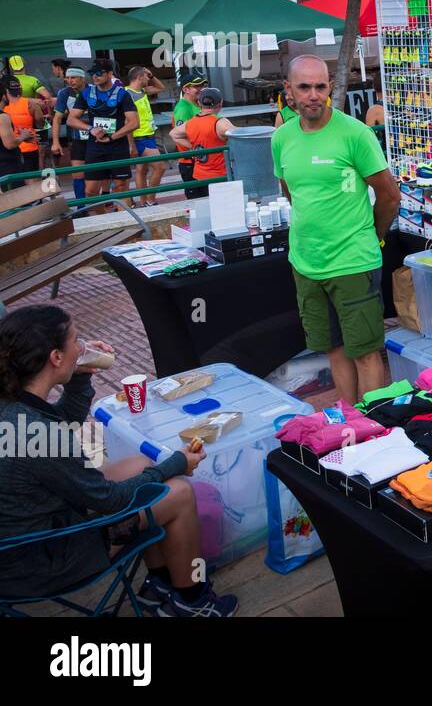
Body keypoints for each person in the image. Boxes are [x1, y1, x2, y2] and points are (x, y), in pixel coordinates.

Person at [0, 305, 237, 616]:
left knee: (139, 465)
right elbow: (110, 499)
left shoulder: (14, 403)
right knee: (178, 492)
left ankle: (161, 583)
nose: (82, 347)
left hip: (23, 537)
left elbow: (62, 423)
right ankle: (193, 601)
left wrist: (79, 376)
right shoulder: (36, 433)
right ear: (55, 357)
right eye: (76, 341)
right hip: (41, 560)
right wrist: (177, 464)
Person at [273, 55, 400, 404]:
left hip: (353, 262)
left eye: (320, 86)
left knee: (365, 352)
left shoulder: (355, 134)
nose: (314, 95)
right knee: (334, 350)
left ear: (329, 87)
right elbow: (293, 192)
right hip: (306, 263)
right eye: (304, 87)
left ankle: (371, 428)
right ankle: (348, 424)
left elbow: (389, 197)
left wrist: (372, 237)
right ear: (289, 91)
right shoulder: (281, 138)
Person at [67, 61, 136, 212]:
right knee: (90, 191)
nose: (95, 77)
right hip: (95, 147)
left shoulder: (122, 94)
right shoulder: (86, 94)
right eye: (93, 73)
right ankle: (103, 221)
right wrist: (91, 128)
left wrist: (112, 137)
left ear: (110, 74)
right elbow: (71, 119)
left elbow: (134, 123)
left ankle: (124, 222)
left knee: (121, 187)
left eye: (99, 73)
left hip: (118, 146)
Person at [170, 88, 233, 200]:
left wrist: (194, 147)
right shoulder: (220, 123)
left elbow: (173, 134)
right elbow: (243, 136)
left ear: (199, 103)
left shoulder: (191, 123)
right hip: (220, 176)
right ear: (220, 104)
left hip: (199, 175)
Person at [125, 66, 165, 207]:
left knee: (142, 170)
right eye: (147, 76)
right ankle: (150, 200)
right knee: (160, 167)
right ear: (139, 77)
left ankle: (143, 202)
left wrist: (152, 75)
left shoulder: (142, 91)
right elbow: (127, 121)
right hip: (139, 137)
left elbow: (161, 88)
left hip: (148, 134)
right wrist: (131, 145)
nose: (149, 79)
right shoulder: (126, 94)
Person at [50, 67, 89, 199]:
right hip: (76, 138)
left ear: (82, 78)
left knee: (98, 172)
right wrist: (55, 142)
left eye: (73, 77)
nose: (69, 81)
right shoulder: (64, 93)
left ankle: (106, 201)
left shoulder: (93, 90)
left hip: (96, 137)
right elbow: (57, 118)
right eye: (67, 78)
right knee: (77, 173)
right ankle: (80, 206)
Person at [170, 73, 205, 194]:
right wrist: (197, 150)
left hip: (199, 160)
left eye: (201, 85)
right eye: (196, 86)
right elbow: (179, 135)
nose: (201, 89)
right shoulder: (183, 108)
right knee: (198, 201)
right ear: (185, 89)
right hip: (190, 162)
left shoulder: (195, 104)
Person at [2, 79, 42, 173]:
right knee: (32, 181)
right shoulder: (31, 104)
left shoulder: (3, 106)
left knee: (12, 184)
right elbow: (40, 124)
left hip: (10, 152)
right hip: (29, 147)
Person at [0, 112, 26, 190]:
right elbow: (10, 144)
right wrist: (24, 136)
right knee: (15, 198)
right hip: (7, 168)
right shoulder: (2, 116)